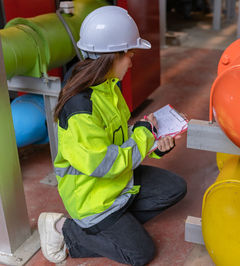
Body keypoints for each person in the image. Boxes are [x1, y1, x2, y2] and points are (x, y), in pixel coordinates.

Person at [37, 6, 187, 265]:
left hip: (117, 183)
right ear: (111, 56)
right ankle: (64, 228)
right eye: (128, 54)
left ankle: (119, 226)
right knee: (140, 253)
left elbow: (117, 137)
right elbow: (103, 163)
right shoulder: (80, 108)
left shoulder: (107, 87)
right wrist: (143, 135)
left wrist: (155, 143)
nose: (131, 61)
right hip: (93, 199)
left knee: (174, 188)